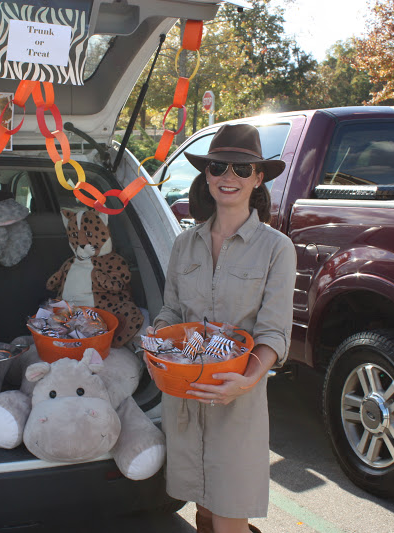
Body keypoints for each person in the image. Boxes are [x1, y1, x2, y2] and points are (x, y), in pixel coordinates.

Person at [150, 123, 296, 533]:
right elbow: (171, 310)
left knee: (231, 514)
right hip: (184, 396)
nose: (228, 177)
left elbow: (273, 333)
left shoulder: (276, 248)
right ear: (206, 175)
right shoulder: (184, 244)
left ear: (259, 178)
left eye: (242, 169)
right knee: (203, 509)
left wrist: (245, 382)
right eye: (218, 167)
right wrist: (157, 350)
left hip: (238, 402)